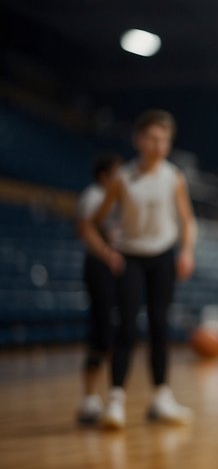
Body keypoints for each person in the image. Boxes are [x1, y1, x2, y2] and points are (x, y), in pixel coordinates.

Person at [80, 109, 197, 428]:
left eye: (165, 140)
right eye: (154, 138)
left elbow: (187, 219)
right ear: (139, 140)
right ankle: (115, 400)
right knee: (127, 327)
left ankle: (161, 397)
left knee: (160, 325)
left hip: (163, 256)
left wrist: (186, 251)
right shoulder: (122, 179)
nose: (160, 145)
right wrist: (106, 252)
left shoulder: (174, 177)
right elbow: (90, 224)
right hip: (130, 256)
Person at [73, 153, 123, 425]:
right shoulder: (93, 196)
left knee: (113, 332)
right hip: (99, 267)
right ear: (104, 175)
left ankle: (111, 397)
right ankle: (89, 399)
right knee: (101, 329)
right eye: (117, 171)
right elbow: (85, 230)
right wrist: (108, 254)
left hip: (114, 267)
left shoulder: (116, 201)